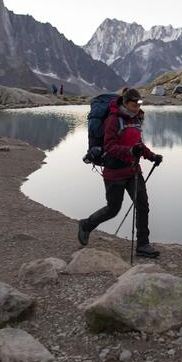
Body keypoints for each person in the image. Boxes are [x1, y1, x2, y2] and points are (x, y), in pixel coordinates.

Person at [77, 88, 163, 258]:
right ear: (125, 102)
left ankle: (143, 245)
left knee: (142, 205)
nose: (137, 107)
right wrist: (130, 151)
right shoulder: (113, 120)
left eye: (140, 104)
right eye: (134, 104)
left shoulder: (137, 118)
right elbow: (109, 147)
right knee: (113, 209)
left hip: (133, 171)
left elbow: (138, 144)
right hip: (114, 172)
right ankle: (86, 225)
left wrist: (152, 156)